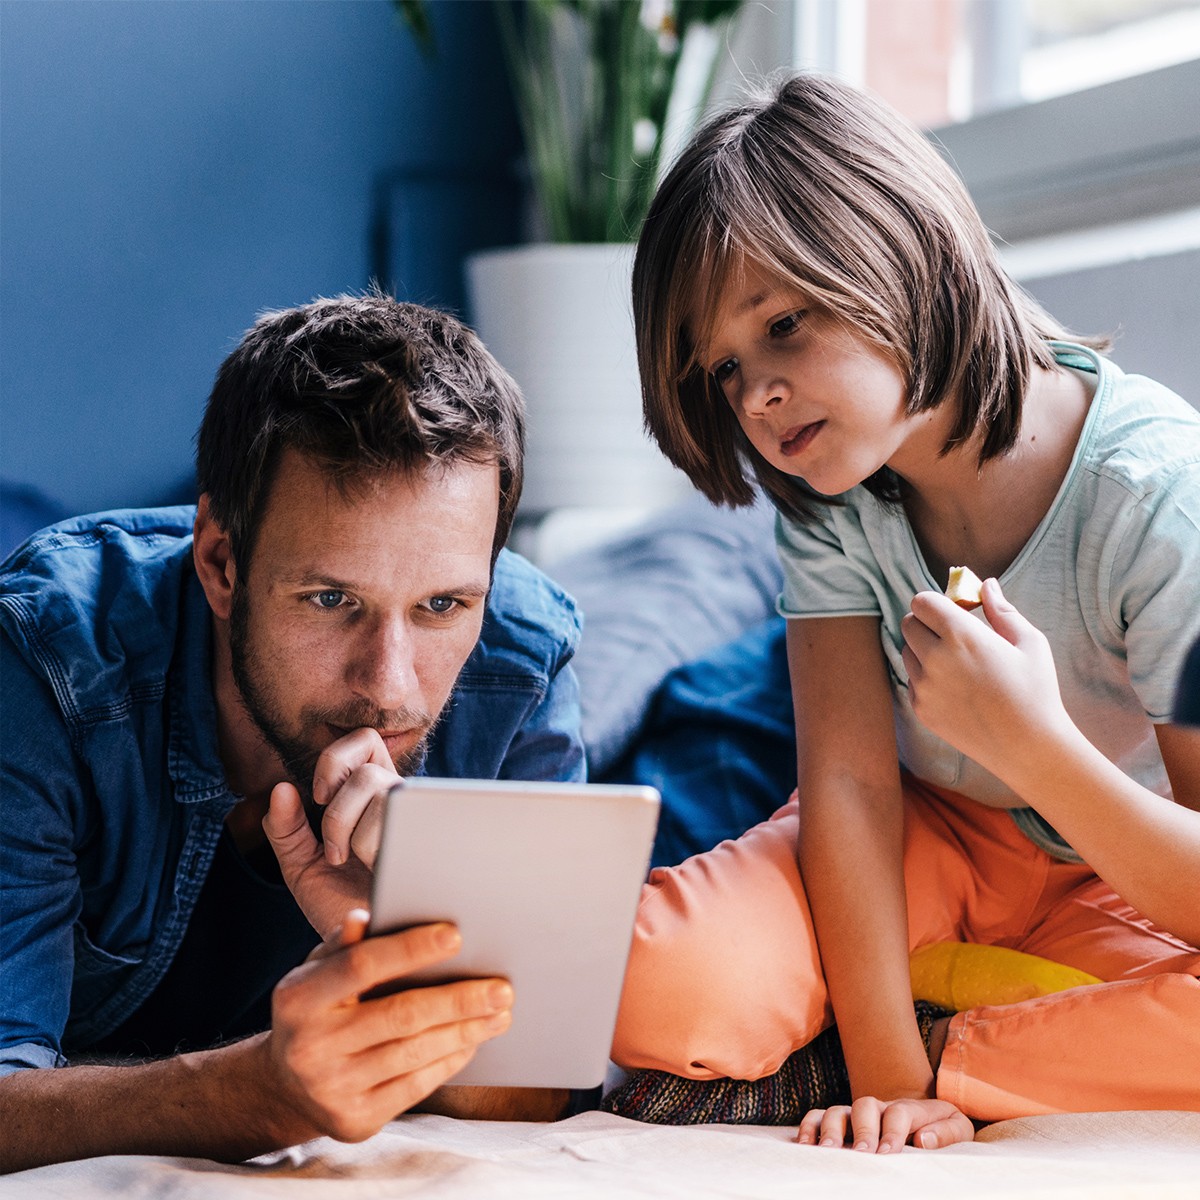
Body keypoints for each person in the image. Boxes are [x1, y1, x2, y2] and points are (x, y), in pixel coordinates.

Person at [606, 73, 1200, 1151]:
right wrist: (884, 1080)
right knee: (652, 985)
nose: (756, 396)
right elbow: (845, 785)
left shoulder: (1157, 495)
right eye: (727, 369)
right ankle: (908, 1025)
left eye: (783, 325)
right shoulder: (831, 499)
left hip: (1118, 873)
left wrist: (1033, 747)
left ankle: (962, 1046)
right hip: (921, 846)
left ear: (901, 250)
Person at [0, 294, 585, 1173]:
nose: (388, 686)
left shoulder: (519, 664)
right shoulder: (50, 667)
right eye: (330, 600)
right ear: (222, 563)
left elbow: (537, 1087)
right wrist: (259, 1094)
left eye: (441, 606)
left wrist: (408, 927)